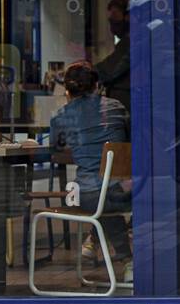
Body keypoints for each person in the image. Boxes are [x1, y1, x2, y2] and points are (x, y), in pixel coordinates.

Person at [48, 61, 133, 280]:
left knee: (97, 197)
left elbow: (55, 150)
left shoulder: (61, 116)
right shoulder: (117, 108)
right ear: (97, 86)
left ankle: (122, 256)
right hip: (125, 193)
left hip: (88, 196)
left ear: (67, 90)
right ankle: (119, 255)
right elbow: (128, 142)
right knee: (105, 193)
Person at [95, 0, 131, 114]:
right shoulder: (127, 43)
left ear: (128, 17)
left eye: (115, 17)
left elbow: (109, 70)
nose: (112, 23)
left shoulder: (132, 42)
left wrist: (83, 72)